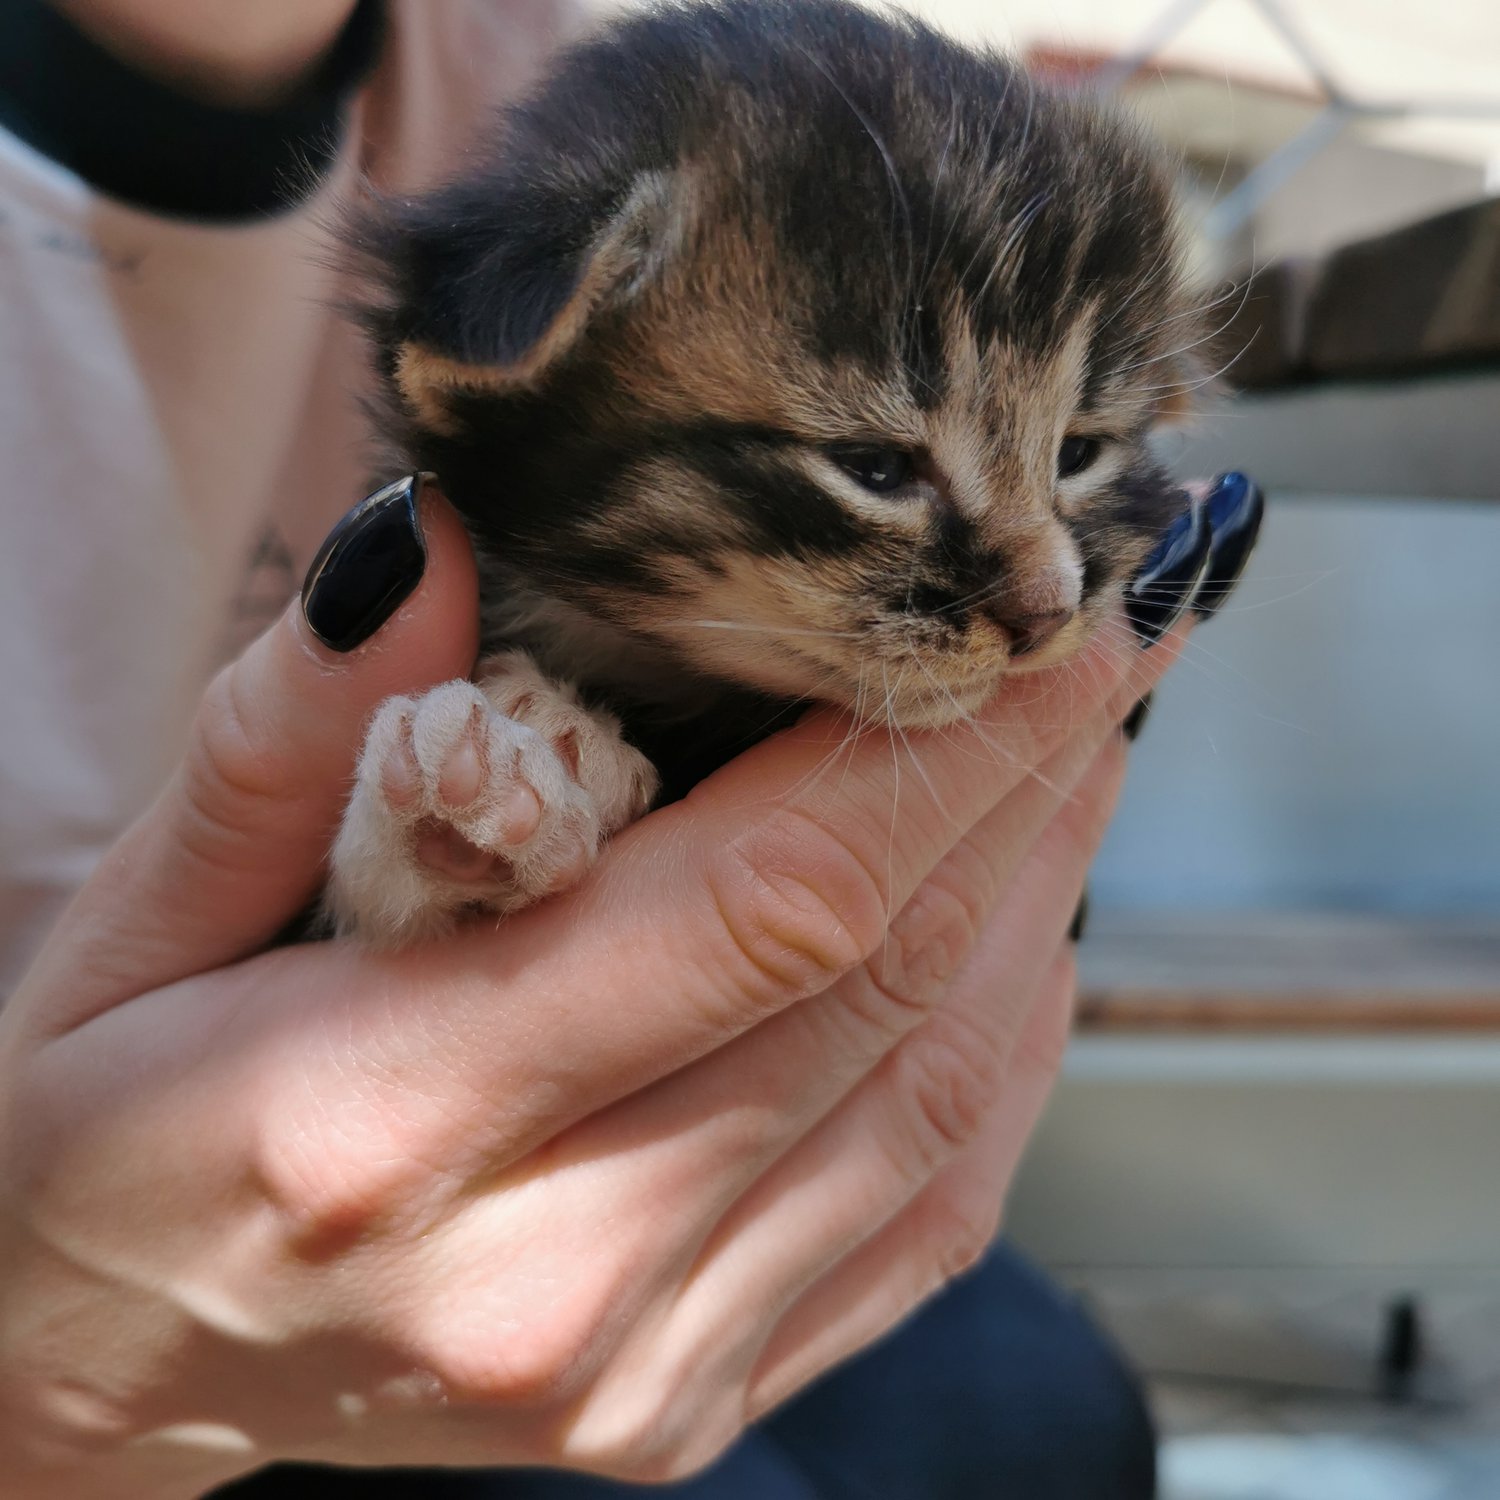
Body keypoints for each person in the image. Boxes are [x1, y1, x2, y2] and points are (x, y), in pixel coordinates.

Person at [0, 2, 1226, 1495]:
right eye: (877, 462)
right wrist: (45, 1395)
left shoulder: (551, 60)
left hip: (566, 1132)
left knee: (1039, 1420)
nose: (1040, 596)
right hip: (75, 1299)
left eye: (1080, 457)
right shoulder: (631, 217)